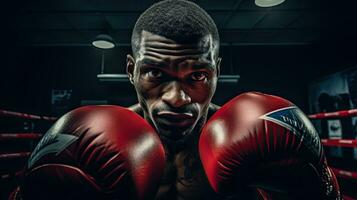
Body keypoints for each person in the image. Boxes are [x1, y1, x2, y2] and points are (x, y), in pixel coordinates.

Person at [11, 0, 341, 200]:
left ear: (216, 71)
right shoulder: (80, 144)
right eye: (156, 74)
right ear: (131, 70)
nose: (178, 98)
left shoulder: (261, 139)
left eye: (196, 76)